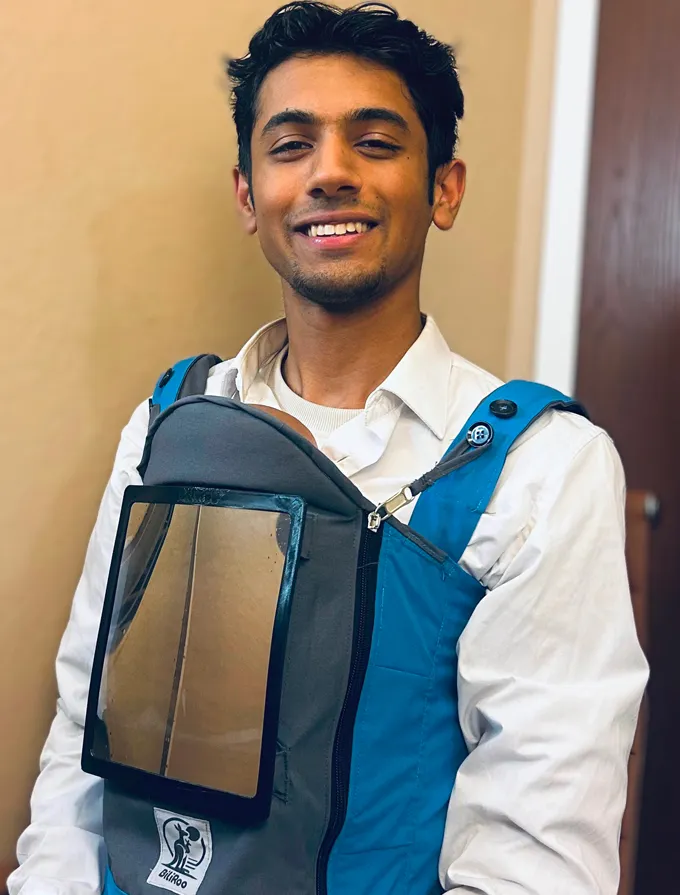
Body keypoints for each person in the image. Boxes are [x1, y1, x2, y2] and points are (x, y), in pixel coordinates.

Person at [9, 3, 648, 894]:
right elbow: (85, 735)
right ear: (248, 195)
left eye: (377, 143)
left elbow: (538, 851)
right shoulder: (168, 425)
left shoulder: (543, 466)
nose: (331, 174)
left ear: (445, 188)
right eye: (291, 145)